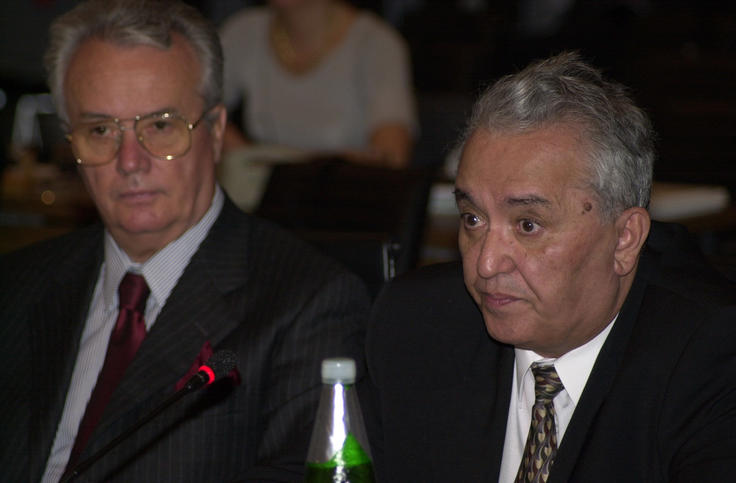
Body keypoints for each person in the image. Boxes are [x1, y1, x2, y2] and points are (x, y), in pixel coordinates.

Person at [0, 1, 369, 481]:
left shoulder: (308, 305)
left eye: (160, 126)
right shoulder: (17, 286)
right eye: (100, 130)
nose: (130, 161)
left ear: (216, 132)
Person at [360, 51, 736, 481]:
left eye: (528, 225)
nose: (486, 263)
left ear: (624, 238)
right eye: (473, 219)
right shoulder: (415, 326)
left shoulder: (712, 358)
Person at [219, 0, 417, 168]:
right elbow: (203, 105)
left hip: (340, 194)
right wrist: (240, 154)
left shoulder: (376, 43)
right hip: (262, 193)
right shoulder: (244, 31)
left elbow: (391, 157)